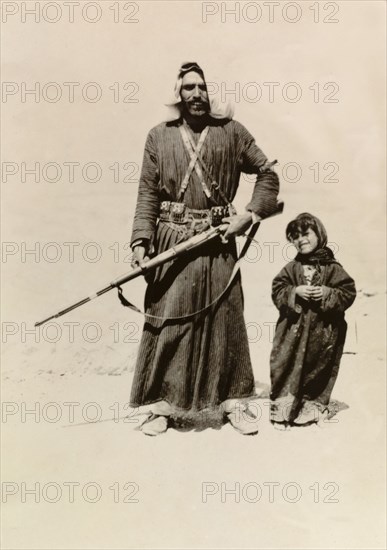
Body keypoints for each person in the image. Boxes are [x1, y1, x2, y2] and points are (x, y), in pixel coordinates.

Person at [129, 62, 280, 436]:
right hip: (172, 240)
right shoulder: (158, 137)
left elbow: (268, 174)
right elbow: (147, 192)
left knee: (225, 319)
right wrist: (140, 241)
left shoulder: (231, 132)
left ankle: (232, 402)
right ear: (177, 94)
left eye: (202, 87)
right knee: (168, 319)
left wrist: (248, 215)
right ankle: (162, 406)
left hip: (218, 241)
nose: (196, 94)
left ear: (211, 93)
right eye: (188, 88)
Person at [269, 212, 356, 428]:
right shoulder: (292, 268)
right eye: (295, 237)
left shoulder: (333, 268)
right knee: (284, 363)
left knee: (318, 366)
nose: (301, 240)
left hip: (324, 331)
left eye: (306, 234)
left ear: (319, 234)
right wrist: (295, 291)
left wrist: (327, 293)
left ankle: (313, 406)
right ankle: (282, 407)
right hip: (292, 330)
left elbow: (348, 292)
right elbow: (277, 289)